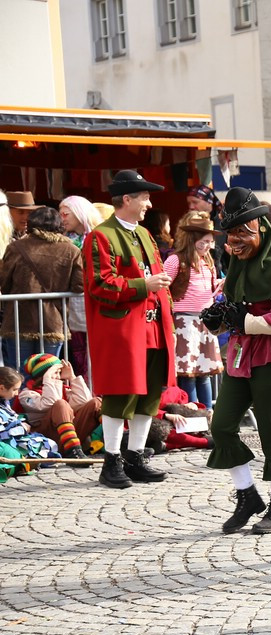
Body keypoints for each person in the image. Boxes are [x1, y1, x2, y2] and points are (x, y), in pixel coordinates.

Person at [203, 187, 271, 534]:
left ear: (260, 228)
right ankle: (248, 495)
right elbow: (233, 305)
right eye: (231, 233)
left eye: (242, 232)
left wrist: (244, 320)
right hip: (239, 358)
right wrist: (218, 316)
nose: (235, 240)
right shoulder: (235, 263)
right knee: (221, 427)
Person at [83, 170, 175, 490]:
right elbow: (100, 285)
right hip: (124, 327)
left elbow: (159, 279)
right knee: (120, 393)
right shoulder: (100, 237)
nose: (149, 203)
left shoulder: (146, 236)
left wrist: (168, 314)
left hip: (153, 326)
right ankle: (111, 461)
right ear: (127, 199)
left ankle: (135, 457)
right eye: (145, 197)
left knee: (150, 394)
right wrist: (143, 284)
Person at [0, 208, 84, 371]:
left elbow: (4, 283)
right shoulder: (72, 250)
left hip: (19, 319)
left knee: (18, 375)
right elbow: (78, 285)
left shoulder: (16, 247)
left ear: (31, 225)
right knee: (47, 376)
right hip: (53, 321)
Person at [165, 211, 224, 408]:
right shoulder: (176, 260)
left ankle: (207, 415)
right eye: (204, 241)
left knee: (204, 373)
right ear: (193, 239)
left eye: (209, 242)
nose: (208, 245)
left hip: (204, 321)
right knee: (188, 373)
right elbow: (164, 286)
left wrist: (220, 284)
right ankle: (191, 414)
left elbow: (210, 286)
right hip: (184, 321)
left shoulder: (208, 262)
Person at [17, 353, 101, 459]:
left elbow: (84, 401)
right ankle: (72, 450)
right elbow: (50, 403)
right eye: (55, 373)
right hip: (48, 440)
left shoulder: (62, 389)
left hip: (69, 437)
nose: (58, 376)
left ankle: (118, 443)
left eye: (58, 372)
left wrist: (72, 377)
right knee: (61, 404)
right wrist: (48, 379)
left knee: (96, 402)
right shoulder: (27, 394)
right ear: (42, 375)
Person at [58, 196, 104, 378]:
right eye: (60, 214)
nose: (63, 218)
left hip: (95, 300)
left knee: (96, 350)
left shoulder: (98, 236)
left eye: (66, 214)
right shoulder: (62, 240)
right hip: (73, 303)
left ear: (79, 212)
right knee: (77, 351)